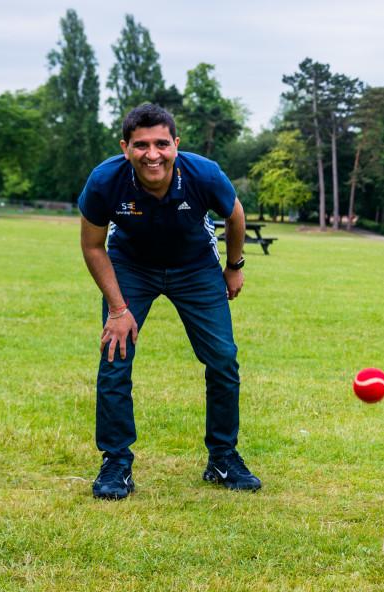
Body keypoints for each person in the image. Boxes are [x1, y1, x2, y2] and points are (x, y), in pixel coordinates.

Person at [78, 103, 261, 500]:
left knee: (223, 359)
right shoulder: (104, 181)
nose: (152, 154)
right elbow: (93, 247)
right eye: (141, 145)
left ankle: (223, 457)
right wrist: (118, 309)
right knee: (115, 356)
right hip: (131, 266)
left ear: (176, 144)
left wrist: (234, 266)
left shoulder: (203, 174)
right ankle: (116, 463)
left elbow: (235, 215)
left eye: (162, 143)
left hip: (195, 267)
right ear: (125, 147)